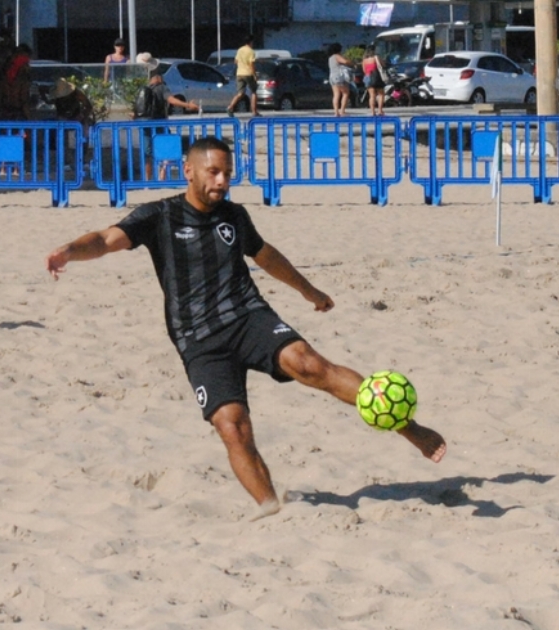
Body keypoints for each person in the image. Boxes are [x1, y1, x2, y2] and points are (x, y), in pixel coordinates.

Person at [45, 137, 447, 520]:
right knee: (232, 426)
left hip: (247, 316)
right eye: (214, 172)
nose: (222, 181)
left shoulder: (234, 216)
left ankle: (408, 428)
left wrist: (310, 291)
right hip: (198, 339)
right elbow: (104, 238)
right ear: (188, 171)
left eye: (228, 173)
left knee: (308, 364)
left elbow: (265, 255)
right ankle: (271, 509)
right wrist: (69, 251)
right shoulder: (158, 215)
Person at [135, 66, 199, 180]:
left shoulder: (143, 89)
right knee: (169, 148)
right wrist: (188, 105)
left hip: (144, 124)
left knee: (147, 153)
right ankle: (162, 175)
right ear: (159, 78)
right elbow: (171, 100)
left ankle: (147, 180)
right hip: (159, 123)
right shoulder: (162, 88)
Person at [50, 77, 94, 170]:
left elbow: (88, 106)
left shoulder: (77, 94)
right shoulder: (56, 96)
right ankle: (65, 161)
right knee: (60, 136)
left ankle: (82, 159)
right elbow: (50, 101)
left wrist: (83, 116)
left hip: (76, 116)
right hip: (63, 117)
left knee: (84, 134)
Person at [226, 34, 260, 117]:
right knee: (254, 91)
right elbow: (251, 64)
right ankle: (254, 111)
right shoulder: (251, 51)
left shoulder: (240, 50)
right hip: (248, 73)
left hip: (239, 73)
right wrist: (255, 75)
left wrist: (242, 64)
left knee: (240, 93)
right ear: (251, 42)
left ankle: (230, 107)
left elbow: (235, 61)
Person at [0, 43, 31, 121]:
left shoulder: (8, 69)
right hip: (17, 112)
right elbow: (23, 98)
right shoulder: (22, 77)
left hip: (6, 110)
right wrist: (29, 117)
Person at [328, 42, 355, 117]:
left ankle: (336, 112)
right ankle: (342, 111)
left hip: (332, 77)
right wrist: (351, 62)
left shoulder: (330, 58)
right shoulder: (337, 56)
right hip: (339, 76)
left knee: (336, 94)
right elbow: (345, 62)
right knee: (345, 93)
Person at [362, 45, 386, 116]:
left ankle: (372, 111)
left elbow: (364, 70)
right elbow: (383, 65)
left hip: (367, 77)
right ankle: (380, 111)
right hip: (376, 76)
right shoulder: (376, 57)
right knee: (381, 94)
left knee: (371, 95)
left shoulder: (364, 60)